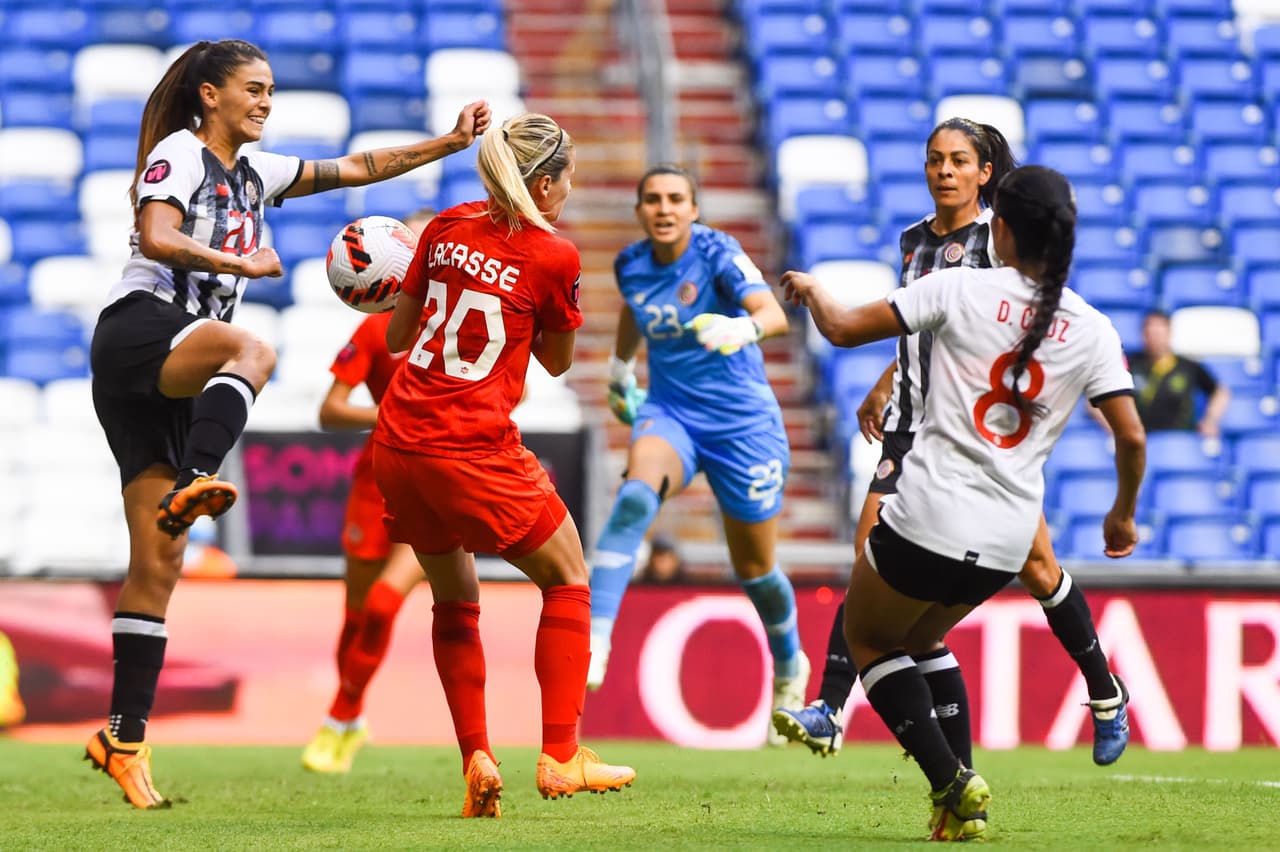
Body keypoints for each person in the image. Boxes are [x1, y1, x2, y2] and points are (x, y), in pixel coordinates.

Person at [84, 38, 490, 809]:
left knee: (158, 566)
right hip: (141, 329)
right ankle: (200, 478)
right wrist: (241, 265)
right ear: (210, 95)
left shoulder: (258, 173)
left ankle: (122, 740)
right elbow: (156, 236)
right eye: (254, 88)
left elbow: (358, 168)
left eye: (271, 90)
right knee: (255, 348)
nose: (267, 101)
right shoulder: (180, 153)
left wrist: (448, 143)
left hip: (174, 369)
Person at [781, 164, 1146, 840]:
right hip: (1006, 539)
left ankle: (951, 776)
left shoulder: (956, 286)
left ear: (999, 229)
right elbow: (1130, 436)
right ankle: (957, 803)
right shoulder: (1093, 328)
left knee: (867, 637)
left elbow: (841, 330)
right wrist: (1122, 514)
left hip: (928, 514)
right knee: (922, 639)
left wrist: (814, 291)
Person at [372, 112, 635, 819]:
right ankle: (561, 756)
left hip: (399, 441)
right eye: (568, 179)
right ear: (543, 185)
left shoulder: (445, 226)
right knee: (569, 578)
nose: (570, 191)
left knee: (455, 599)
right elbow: (556, 363)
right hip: (471, 445)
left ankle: (477, 759)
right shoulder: (554, 255)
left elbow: (397, 336)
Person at [586, 163, 809, 747]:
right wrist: (620, 367)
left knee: (754, 569)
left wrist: (744, 330)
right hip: (671, 413)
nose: (663, 208)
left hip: (742, 425)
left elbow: (773, 314)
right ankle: (595, 637)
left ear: (693, 209)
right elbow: (635, 310)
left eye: (675, 199)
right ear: (640, 210)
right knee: (634, 499)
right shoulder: (631, 263)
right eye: (653, 199)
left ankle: (790, 665)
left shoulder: (718, 253)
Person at [300, 208, 434, 774]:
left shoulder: (465, 319)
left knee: (383, 602)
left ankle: (337, 719)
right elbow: (329, 410)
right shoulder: (378, 327)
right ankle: (352, 717)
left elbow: (516, 388)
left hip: (439, 486)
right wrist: (389, 415)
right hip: (377, 481)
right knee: (357, 616)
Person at [1130, 309, 1230, 437]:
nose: (1155, 338)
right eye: (1150, 333)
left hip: (1180, 439)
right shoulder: (1131, 364)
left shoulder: (1188, 366)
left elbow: (1220, 392)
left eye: (1159, 333)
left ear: (1169, 333)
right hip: (1140, 438)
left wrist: (1210, 420)